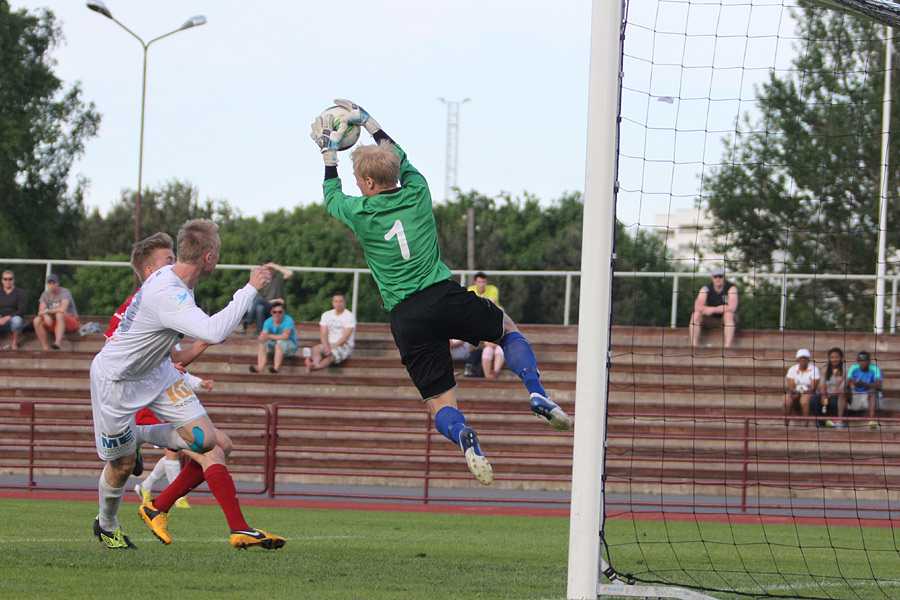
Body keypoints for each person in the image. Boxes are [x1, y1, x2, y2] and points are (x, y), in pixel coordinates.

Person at [310, 98, 571, 486]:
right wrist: (369, 122)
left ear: (365, 183)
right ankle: (535, 392)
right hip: (444, 296)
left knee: (440, 403)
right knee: (508, 330)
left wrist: (330, 153)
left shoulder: (359, 212)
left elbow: (332, 195)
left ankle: (464, 436)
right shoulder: (418, 190)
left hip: (406, 317)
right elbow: (399, 155)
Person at [91, 219, 284, 550]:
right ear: (209, 258)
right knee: (122, 466)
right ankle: (107, 524)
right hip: (116, 382)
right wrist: (250, 288)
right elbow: (211, 331)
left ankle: (146, 466)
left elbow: (182, 347)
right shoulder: (168, 291)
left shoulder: (176, 285)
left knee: (209, 441)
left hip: (158, 372)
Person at [689, 266, 738, 348]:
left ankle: (727, 346)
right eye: (715, 276)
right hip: (710, 319)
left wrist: (713, 309)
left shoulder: (731, 288)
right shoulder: (706, 288)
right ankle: (694, 345)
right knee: (695, 315)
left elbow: (732, 307)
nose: (718, 279)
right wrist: (711, 310)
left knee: (728, 314)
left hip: (726, 319)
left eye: (720, 276)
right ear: (712, 278)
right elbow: (697, 306)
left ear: (724, 277)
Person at [306, 292, 356, 373]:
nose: (338, 304)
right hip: (329, 343)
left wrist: (331, 348)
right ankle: (315, 363)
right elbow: (323, 333)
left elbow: (346, 336)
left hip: (344, 345)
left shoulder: (349, 316)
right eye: (336, 301)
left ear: (344, 303)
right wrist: (326, 347)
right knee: (316, 349)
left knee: (332, 354)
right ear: (333, 303)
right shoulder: (326, 315)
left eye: (340, 301)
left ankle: (316, 367)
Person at [831, 350, 882, 428]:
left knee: (872, 390)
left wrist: (864, 383)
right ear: (858, 361)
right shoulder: (854, 368)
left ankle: (872, 420)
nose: (863, 363)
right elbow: (846, 384)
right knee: (843, 391)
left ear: (869, 361)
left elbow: (879, 386)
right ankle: (839, 420)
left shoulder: (875, 368)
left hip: (870, 397)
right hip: (856, 395)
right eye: (861, 361)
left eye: (865, 360)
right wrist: (853, 383)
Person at [243, 258, 292, 335]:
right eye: (267, 268)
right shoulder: (260, 281)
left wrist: (275, 265)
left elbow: (290, 273)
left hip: (278, 308)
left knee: (258, 303)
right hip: (266, 307)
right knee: (259, 307)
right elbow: (258, 299)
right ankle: (260, 332)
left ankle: (248, 321)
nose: (269, 270)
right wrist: (274, 300)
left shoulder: (278, 278)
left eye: (271, 268)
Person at [464, 272, 500, 377]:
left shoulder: (493, 289)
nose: (481, 284)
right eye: (479, 282)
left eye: (483, 282)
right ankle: (488, 374)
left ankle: (493, 373)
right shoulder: (471, 289)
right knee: (489, 349)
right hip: (480, 318)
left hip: (490, 316)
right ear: (475, 282)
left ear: (486, 282)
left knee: (495, 349)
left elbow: (492, 303)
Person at [33, 274, 80, 350]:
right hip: (54, 322)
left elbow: (62, 309)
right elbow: (40, 311)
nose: (52, 286)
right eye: (50, 283)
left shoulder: (65, 292)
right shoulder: (45, 294)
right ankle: (45, 346)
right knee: (37, 320)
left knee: (59, 314)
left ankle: (57, 342)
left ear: (57, 283)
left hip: (70, 321)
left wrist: (47, 311)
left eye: (53, 283)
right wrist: (45, 315)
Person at [251, 300, 298, 374]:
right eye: (275, 312)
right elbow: (264, 335)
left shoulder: (288, 320)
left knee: (279, 343)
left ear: (283, 312)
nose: (277, 314)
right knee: (262, 344)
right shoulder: (268, 321)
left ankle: (276, 369)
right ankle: (260, 369)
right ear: (271, 312)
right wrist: (262, 337)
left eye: (279, 312)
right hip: (275, 345)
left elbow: (285, 337)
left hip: (289, 345)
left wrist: (268, 336)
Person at [783, 349, 819, 427]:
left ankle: (805, 424)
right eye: (801, 359)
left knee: (804, 400)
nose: (803, 361)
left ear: (808, 359)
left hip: (808, 392)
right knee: (786, 399)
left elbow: (813, 387)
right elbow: (791, 385)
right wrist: (795, 392)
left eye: (805, 359)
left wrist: (802, 392)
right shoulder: (792, 369)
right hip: (797, 391)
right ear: (798, 360)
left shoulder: (814, 369)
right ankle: (786, 423)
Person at [816, 347, 846, 427]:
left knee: (833, 401)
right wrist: (823, 395)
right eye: (832, 357)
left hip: (837, 394)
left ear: (841, 358)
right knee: (813, 401)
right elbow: (822, 384)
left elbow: (843, 387)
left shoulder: (845, 370)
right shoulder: (824, 369)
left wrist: (830, 395)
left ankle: (838, 422)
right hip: (825, 393)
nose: (834, 359)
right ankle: (821, 424)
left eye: (837, 357)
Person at [0, 270, 27, 349]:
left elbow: (22, 310)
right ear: (2, 280)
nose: (8, 281)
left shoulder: (20, 293)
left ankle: (14, 342)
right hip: (1, 319)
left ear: (13, 280)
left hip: (13, 318)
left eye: (10, 279)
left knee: (17, 320)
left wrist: (8, 317)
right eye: (5, 279)